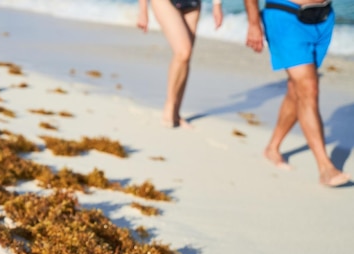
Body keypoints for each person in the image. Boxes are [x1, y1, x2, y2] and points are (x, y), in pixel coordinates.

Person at [244, 0, 351, 187]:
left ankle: (272, 148)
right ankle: (325, 167)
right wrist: (253, 23)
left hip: (323, 18)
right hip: (286, 16)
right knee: (309, 87)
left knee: (298, 88)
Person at [138, 0, 223, 128]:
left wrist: (217, 5)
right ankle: (169, 107)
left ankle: (176, 112)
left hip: (193, 3)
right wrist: (143, 10)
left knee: (185, 57)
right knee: (184, 51)